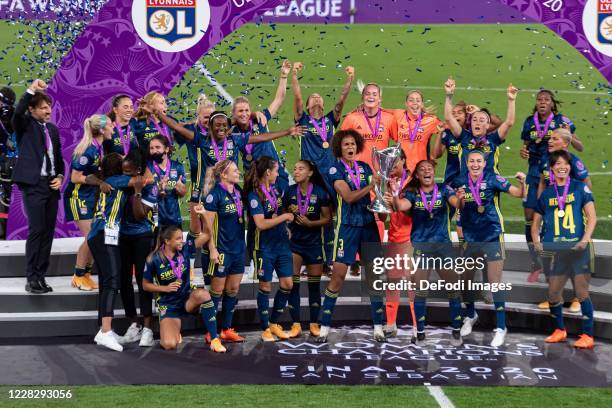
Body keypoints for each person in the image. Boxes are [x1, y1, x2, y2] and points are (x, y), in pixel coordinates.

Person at [385, 159, 465, 343]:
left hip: (443, 246)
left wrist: (460, 199)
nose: (427, 171)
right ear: (418, 175)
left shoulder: (444, 190)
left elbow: (457, 204)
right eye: (422, 169)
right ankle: (420, 333)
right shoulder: (412, 193)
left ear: (433, 172)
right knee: (420, 291)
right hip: (421, 247)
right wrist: (396, 193)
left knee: (453, 289)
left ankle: (456, 331)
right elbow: (399, 207)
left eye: (429, 168)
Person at [452, 150, 526, 347]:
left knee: (494, 283)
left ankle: (501, 327)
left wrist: (522, 183)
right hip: (470, 237)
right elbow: (456, 207)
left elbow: (518, 194)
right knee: (465, 281)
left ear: (485, 164)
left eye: (479, 161)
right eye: (471, 161)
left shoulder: (493, 178)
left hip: (492, 234)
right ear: (466, 163)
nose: (475, 164)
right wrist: (459, 199)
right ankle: (470, 315)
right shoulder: (459, 181)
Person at [317, 129, 384, 343]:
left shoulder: (364, 167)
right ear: (339, 147)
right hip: (347, 227)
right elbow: (348, 197)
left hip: (368, 226)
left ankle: (378, 327)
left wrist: (382, 201)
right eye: (346, 144)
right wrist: (371, 186)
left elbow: (372, 198)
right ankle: (325, 327)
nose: (350, 147)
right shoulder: (334, 169)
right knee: (337, 276)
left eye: (353, 144)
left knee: (374, 277)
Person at [531, 150, 596, 349]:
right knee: (552, 293)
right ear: (551, 168)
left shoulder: (579, 188)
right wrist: (537, 242)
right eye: (557, 164)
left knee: (582, 292)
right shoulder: (547, 194)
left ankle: (588, 335)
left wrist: (585, 240)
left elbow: (592, 217)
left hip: (578, 250)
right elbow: (535, 225)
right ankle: (560, 330)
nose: (562, 166)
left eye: (565, 163)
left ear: (569, 167)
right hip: (556, 252)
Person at [87, 153, 149, 351]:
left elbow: (89, 177)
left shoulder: (110, 181)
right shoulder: (118, 180)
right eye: (123, 164)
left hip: (101, 234)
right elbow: (143, 180)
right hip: (104, 233)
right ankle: (105, 331)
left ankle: (103, 329)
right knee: (112, 280)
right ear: (117, 168)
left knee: (108, 281)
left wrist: (98, 180)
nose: (126, 166)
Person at [143, 207, 226, 353]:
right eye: (178, 239)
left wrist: (204, 215)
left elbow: (207, 234)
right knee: (169, 344)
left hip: (187, 299)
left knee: (204, 294)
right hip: (169, 305)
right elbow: (145, 285)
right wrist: (165, 288)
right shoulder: (153, 259)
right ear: (167, 241)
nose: (182, 241)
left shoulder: (185, 249)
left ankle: (214, 339)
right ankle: (175, 332)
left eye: (182, 237)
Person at [520, 90, 583, 283]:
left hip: (557, 171)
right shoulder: (530, 121)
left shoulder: (562, 121)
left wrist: (570, 136)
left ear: (552, 104)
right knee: (531, 218)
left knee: (553, 217)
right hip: (535, 173)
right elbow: (526, 144)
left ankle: (557, 263)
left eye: (546, 99)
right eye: (539, 99)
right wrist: (523, 151)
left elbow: (580, 147)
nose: (542, 102)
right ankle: (536, 263)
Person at [11, 79, 64, 294]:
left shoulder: (52, 129)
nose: (48, 110)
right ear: (32, 110)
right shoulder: (24, 126)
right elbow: (17, 114)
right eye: (43, 107)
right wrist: (32, 89)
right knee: (37, 230)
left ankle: (41, 276)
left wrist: (60, 176)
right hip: (33, 185)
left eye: (49, 107)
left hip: (51, 185)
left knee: (48, 232)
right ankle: (31, 277)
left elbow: (58, 157)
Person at [533, 127, 591, 312]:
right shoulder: (546, 160)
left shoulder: (573, 162)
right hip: (551, 214)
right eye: (550, 138)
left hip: (570, 216)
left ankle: (576, 298)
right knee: (551, 258)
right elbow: (543, 181)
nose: (550, 141)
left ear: (565, 143)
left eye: (555, 138)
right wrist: (542, 207)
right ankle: (553, 296)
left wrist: (575, 201)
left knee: (574, 257)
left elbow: (586, 183)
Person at [245, 156, 295, 341]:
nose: (278, 173)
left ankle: (274, 323)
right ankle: (265, 327)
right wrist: (285, 218)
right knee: (265, 285)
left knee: (287, 284)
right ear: (268, 172)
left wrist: (285, 227)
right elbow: (260, 224)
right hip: (263, 247)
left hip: (281, 244)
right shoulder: (254, 195)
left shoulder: (274, 189)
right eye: (276, 170)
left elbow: (277, 212)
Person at [64, 114, 113, 291]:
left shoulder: (99, 147)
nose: (113, 128)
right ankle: (78, 275)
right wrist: (99, 182)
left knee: (95, 236)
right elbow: (76, 177)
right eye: (110, 125)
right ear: (101, 130)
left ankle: (86, 273)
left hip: (91, 198)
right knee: (92, 237)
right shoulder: (87, 150)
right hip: (78, 198)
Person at [284, 160, 332, 337]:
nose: (296, 172)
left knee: (314, 286)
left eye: (300, 169)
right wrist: (289, 212)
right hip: (294, 244)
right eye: (295, 168)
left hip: (313, 244)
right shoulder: (289, 192)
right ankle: (296, 324)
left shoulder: (320, 193)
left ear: (310, 173)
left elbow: (328, 218)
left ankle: (313, 324)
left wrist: (311, 223)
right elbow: (282, 214)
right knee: (293, 285)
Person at [201, 159, 247, 343]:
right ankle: (211, 332)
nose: (238, 173)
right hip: (221, 250)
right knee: (217, 290)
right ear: (224, 175)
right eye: (235, 171)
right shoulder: (214, 195)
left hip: (238, 249)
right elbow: (207, 227)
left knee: (233, 289)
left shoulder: (238, 192)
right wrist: (212, 249)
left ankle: (227, 329)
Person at [234, 60, 293, 192]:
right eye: (240, 111)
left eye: (247, 110)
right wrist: (235, 120)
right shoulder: (232, 133)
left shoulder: (261, 120)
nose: (244, 114)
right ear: (234, 114)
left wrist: (283, 76)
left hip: (275, 173)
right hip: (253, 177)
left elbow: (279, 100)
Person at [118, 149, 158, 347]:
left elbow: (140, 215)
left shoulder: (151, 188)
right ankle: (133, 324)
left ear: (139, 170)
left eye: (129, 173)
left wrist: (137, 192)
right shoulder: (123, 184)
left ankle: (148, 327)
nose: (126, 177)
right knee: (124, 281)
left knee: (143, 281)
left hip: (142, 237)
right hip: (122, 238)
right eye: (123, 172)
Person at [444, 77, 518, 176]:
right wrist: (449, 95)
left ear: (488, 125)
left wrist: (511, 100)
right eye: (474, 120)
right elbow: (449, 118)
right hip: (467, 188)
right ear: (470, 123)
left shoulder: (493, 139)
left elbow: (509, 122)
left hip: (489, 188)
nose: (477, 123)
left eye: (481, 120)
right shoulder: (464, 137)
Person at [377, 149, 412, 337]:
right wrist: (383, 202)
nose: (390, 166)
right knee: (393, 281)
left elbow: (414, 210)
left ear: (404, 161)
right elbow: (382, 217)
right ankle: (391, 323)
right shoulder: (387, 183)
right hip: (394, 237)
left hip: (412, 238)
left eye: (394, 162)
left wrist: (395, 201)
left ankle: (417, 326)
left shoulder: (414, 181)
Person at [392, 90, 442, 174]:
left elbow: (449, 127)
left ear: (422, 104)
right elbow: (380, 112)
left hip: (420, 170)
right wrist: (363, 108)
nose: (415, 103)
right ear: (406, 103)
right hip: (401, 169)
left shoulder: (431, 120)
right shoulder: (398, 115)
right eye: (411, 100)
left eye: (418, 100)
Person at [146, 135, 186, 229]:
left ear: (167, 149)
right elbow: (143, 192)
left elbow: (182, 193)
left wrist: (180, 190)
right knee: (156, 243)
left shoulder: (178, 167)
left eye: (157, 147)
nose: (154, 151)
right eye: (151, 148)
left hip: (174, 216)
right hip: (154, 216)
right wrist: (157, 189)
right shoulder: (147, 167)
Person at [0, 86, 16, 239]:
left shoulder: (6, 117)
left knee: (6, 198)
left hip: (8, 163)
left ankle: (4, 233)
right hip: (11, 162)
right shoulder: (15, 114)